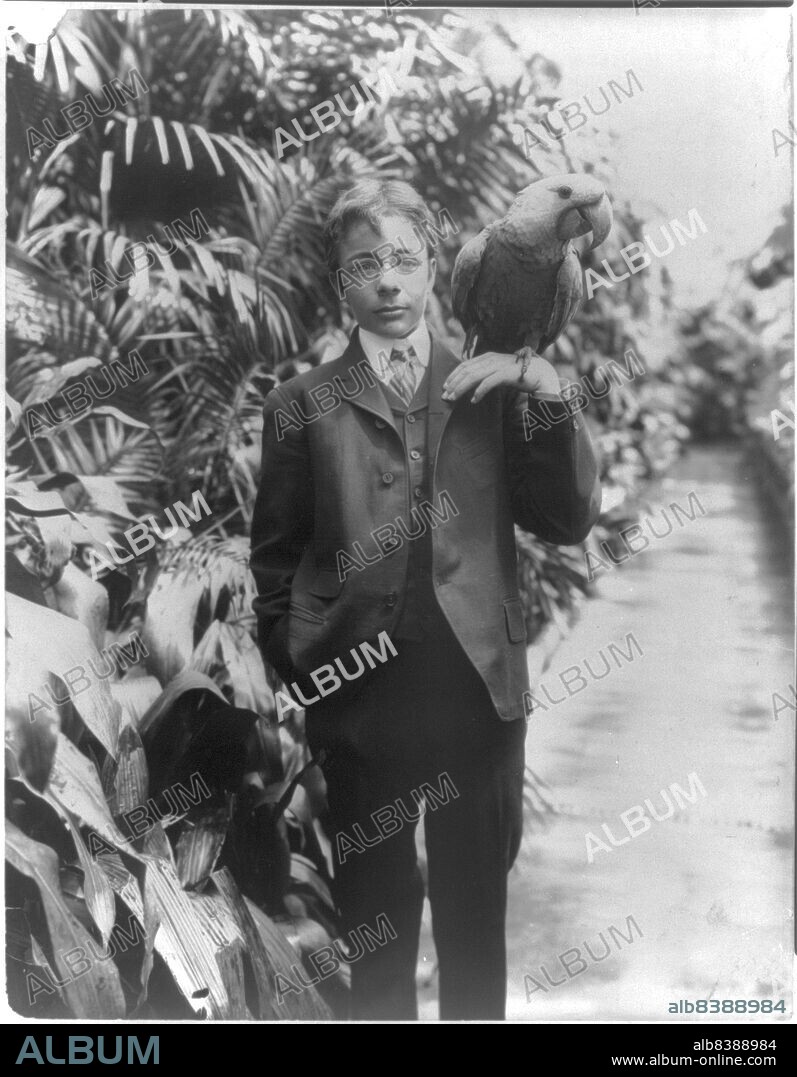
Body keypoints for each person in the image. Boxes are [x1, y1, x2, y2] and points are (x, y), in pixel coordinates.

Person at [250, 178, 601, 1020]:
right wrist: (304, 661)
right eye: (363, 264)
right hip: (362, 704)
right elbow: (273, 559)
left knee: (476, 928)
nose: (388, 282)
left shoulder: (498, 384)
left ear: (437, 267)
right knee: (375, 931)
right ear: (339, 282)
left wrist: (545, 391)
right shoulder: (301, 405)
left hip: (476, 698)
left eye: (405, 260)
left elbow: (566, 518)